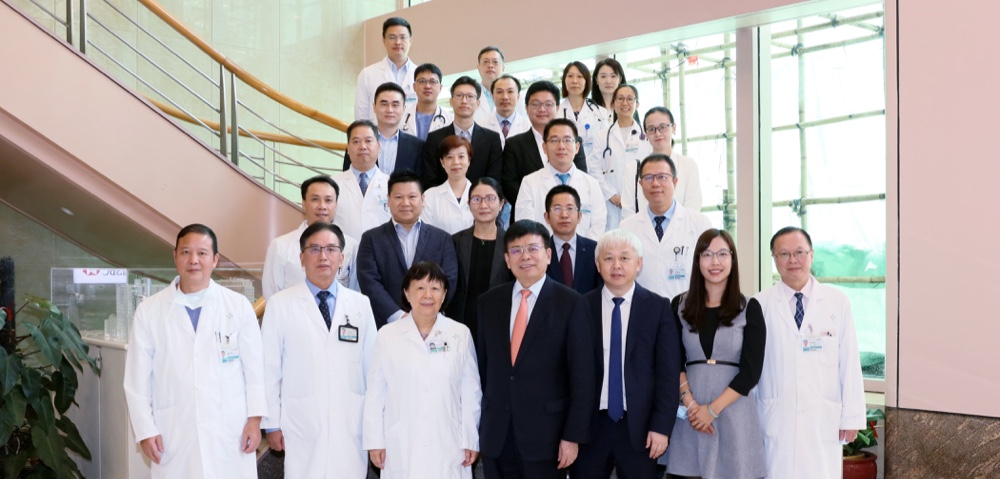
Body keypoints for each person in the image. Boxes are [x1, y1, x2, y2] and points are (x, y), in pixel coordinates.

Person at [124, 224, 265, 478]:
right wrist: (145, 430)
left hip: (229, 431)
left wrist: (255, 421)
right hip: (174, 432)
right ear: (175, 256)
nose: (194, 260)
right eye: (186, 252)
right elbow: (136, 381)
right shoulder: (150, 311)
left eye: (202, 253)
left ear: (215, 259)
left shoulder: (238, 306)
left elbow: (255, 370)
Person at [477, 220, 595, 479]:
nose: (525, 256)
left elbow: (583, 377)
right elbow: (483, 371)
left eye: (533, 248)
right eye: (517, 250)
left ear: (548, 255)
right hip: (497, 436)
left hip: (548, 438)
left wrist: (572, 436)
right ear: (507, 259)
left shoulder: (572, 303)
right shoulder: (488, 303)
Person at [261, 222, 377, 478]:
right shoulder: (280, 305)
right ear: (301, 257)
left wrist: (375, 426)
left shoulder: (360, 304)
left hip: (351, 420)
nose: (323, 256)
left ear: (342, 258)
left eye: (330, 249)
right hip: (301, 420)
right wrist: (271, 424)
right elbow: (269, 369)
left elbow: (373, 370)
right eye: (314, 249)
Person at [753, 226, 866, 479]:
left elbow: (849, 362)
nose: (792, 260)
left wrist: (851, 417)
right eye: (783, 254)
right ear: (774, 259)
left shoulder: (837, 302)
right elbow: (752, 368)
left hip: (821, 419)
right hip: (776, 416)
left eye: (799, 252)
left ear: (812, 255)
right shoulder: (759, 305)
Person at [573, 229, 679, 479]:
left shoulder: (658, 307)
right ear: (598, 265)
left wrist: (661, 428)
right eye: (608, 258)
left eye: (625, 258)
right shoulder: (580, 306)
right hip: (590, 427)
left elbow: (667, 374)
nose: (616, 265)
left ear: (639, 263)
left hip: (640, 428)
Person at [364, 261, 482, 479]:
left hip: (449, 441)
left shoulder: (460, 334)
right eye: (420, 288)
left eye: (435, 288)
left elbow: (471, 392)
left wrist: (470, 438)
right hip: (401, 441)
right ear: (407, 293)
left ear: (444, 294)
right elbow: (375, 394)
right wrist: (374, 441)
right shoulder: (387, 335)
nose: (428, 295)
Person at [666, 228, 766, 479]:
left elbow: (751, 371)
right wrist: (692, 407)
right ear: (697, 260)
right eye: (707, 254)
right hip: (691, 414)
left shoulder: (749, 307)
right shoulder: (679, 305)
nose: (715, 262)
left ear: (732, 259)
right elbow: (673, 360)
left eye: (722, 253)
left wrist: (711, 410)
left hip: (734, 412)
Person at [357, 170, 459, 327]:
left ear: (422, 199)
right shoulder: (371, 239)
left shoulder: (442, 239)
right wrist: (399, 317)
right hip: (386, 326)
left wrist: (426, 314)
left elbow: (449, 280)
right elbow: (369, 283)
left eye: (412, 197)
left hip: (432, 325)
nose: (405, 203)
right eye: (398, 197)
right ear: (388, 200)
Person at [619, 154, 712, 300]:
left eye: (662, 177)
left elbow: (710, 272)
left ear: (675, 182)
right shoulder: (627, 228)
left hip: (687, 312)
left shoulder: (699, 224)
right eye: (649, 178)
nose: (655, 184)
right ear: (641, 184)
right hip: (645, 312)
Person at [262, 175, 359, 298]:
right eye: (315, 199)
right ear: (304, 203)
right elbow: (271, 296)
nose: (322, 206)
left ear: (336, 205)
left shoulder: (351, 246)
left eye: (328, 200)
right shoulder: (280, 246)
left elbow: (354, 294)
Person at [515, 118, 606, 240]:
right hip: (543, 255)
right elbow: (525, 227)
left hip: (584, 254)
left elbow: (598, 226)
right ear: (544, 147)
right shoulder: (529, 183)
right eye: (554, 140)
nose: (561, 146)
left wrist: (582, 252)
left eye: (567, 140)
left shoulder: (591, 184)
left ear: (577, 147)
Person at [501, 81, 588, 205]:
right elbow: (509, 184)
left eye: (548, 104)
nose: (542, 109)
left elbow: (581, 177)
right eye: (535, 104)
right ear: (526, 108)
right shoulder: (514, 144)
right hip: (528, 215)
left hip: (568, 214)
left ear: (557, 107)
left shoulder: (573, 140)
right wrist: (540, 206)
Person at [447, 177, 512, 341]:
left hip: (499, 324)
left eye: (490, 199)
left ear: (501, 204)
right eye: (477, 199)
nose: (483, 205)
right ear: (469, 204)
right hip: (460, 324)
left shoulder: (511, 244)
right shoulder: (454, 242)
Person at [422, 76, 503, 189]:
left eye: (470, 96)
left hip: (482, 203)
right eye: (459, 96)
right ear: (451, 101)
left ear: (478, 103)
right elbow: (430, 180)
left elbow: (494, 179)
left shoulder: (491, 139)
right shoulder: (435, 139)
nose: (464, 101)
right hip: (444, 203)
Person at [588, 85, 649, 229]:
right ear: (614, 103)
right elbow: (594, 169)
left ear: (637, 104)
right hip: (611, 206)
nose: (625, 103)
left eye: (630, 99)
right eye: (620, 99)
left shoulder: (646, 136)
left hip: (640, 203)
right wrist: (611, 196)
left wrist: (635, 198)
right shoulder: (603, 136)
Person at [343, 82, 425, 177]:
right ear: (374, 107)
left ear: (404, 108)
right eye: (384, 104)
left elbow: (419, 183)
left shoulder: (417, 146)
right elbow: (348, 176)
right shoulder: (358, 142)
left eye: (395, 105)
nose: (389, 110)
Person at [333, 120, 392, 240]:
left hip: (381, 254)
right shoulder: (332, 185)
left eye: (368, 141)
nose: (362, 146)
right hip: (344, 254)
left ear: (378, 147)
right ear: (348, 149)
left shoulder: (392, 184)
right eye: (356, 141)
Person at [638, 107, 703, 212]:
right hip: (641, 228)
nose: (657, 133)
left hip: (683, 227)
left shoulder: (688, 165)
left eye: (663, 127)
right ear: (645, 133)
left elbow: (693, 206)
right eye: (651, 129)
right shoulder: (634, 168)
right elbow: (629, 213)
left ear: (674, 128)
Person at [543, 185, 602, 295]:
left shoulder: (595, 250)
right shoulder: (540, 251)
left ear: (579, 216)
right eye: (557, 209)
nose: (564, 215)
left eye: (570, 208)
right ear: (547, 217)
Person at [355, 17, 416, 121]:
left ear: (410, 40)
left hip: (412, 136)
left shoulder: (420, 76)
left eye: (403, 37)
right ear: (383, 40)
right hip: (377, 136)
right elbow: (361, 117)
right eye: (392, 37)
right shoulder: (367, 74)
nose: (398, 42)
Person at [421, 135, 475, 234]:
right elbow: (426, 235)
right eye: (449, 157)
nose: (456, 162)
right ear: (442, 162)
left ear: (469, 161)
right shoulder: (429, 196)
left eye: (461, 156)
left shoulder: (480, 194)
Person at [558, 62, 608, 158]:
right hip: (564, 168)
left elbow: (605, 146)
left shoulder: (600, 113)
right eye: (570, 76)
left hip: (593, 169)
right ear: (564, 80)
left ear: (587, 81)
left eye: (580, 76)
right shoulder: (556, 113)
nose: (574, 81)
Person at [402, 63, 453, 140]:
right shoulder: (401, 118)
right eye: (422, 81)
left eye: (432, 82)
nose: (427, 86)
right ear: (414, 87)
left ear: (440, 87)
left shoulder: (451, 120)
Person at [481, 74, 531, 147]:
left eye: (510, 91)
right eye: (499, 92)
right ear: (492, 96)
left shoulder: (529, 127)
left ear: (518, 96)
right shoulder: (481, 127)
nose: (505, 97)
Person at [474, 46, 505, 124]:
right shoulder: (471, 96)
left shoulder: (517, 97)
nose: (490, 65)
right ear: (478, 67)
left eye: (495, 62)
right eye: (486, 62)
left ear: (503, 68)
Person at [591, 58, 628, 124]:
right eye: (603, 76)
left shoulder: (628, 108)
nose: (608, 81)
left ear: (620, 80)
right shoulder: (589, 109)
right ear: (596, 80)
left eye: (613, 76)